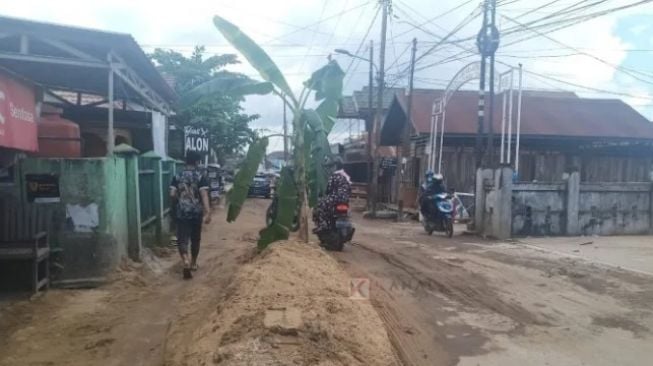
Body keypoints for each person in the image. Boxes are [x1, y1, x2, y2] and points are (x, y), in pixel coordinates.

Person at [170, 151, 211, 279]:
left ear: (185, 162)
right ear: (197, 162)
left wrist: (180, 200)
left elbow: (172, 194)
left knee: (182, 239)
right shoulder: (200, 177)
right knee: (195, 238)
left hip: (182, 212)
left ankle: (185, 260)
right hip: (196, 212)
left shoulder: (177, 176)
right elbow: (204, 195)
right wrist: (207, 212)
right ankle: (193, 263)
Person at [312, 157, 352, 235]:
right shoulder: (345, 176)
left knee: (319, 206)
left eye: (330, 167)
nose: (329, 169)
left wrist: (324, 194)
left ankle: (322, 225)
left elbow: (328, 189)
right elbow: (350, 189)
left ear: (335, 166)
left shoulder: (334, 176)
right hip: (345, 200)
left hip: (335, 198)